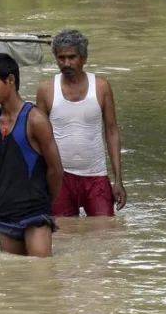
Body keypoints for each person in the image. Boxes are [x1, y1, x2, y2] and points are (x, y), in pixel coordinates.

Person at [0, 53, 64, 257]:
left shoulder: (36, 120)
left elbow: (56, 170)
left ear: (10, 80)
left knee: (41, 277)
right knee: (14, 281)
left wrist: (44, 203)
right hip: (6, 212)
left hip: (35, 214)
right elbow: (4, 167)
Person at [35, 29, 126, 217]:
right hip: (60, 177)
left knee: (106, 234)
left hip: (96, 175)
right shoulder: (46, 90)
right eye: (61, 58)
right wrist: (39, 181)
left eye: (72, 57)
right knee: (64, 236)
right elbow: (38, 138)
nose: (66, 63)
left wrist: (118, 180)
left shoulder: (101, 87)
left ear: (83, 58)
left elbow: (112, 131)